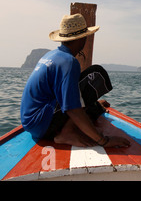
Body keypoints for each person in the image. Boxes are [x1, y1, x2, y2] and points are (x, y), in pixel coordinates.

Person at [20, 13, 130, 148]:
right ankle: (67, 132)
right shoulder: (69, 61)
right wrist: (103, 140)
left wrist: (93, 104)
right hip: (42, 126)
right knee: (96, 74)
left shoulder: (52, 55)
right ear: (82, 38)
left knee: (88, 101)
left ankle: (76, 123)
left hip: (31, 124)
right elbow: (72, 108)